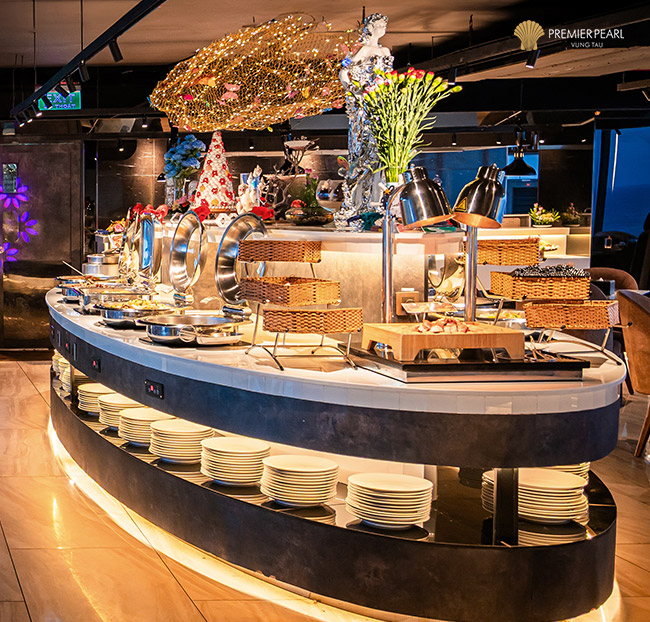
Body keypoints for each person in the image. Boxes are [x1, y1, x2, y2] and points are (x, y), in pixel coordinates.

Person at [337, 13, 393, 230]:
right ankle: (357, 203)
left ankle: (377, 203)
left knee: (381, 154)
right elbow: (344, 72)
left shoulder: (385, 51)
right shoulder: (362, 51)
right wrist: (356, 92)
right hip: (365, 108)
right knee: (363, 153)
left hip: (382, 108)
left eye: (384, 25)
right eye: (379, 25)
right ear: (370, 28)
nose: (382, 29)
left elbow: (388, 79)